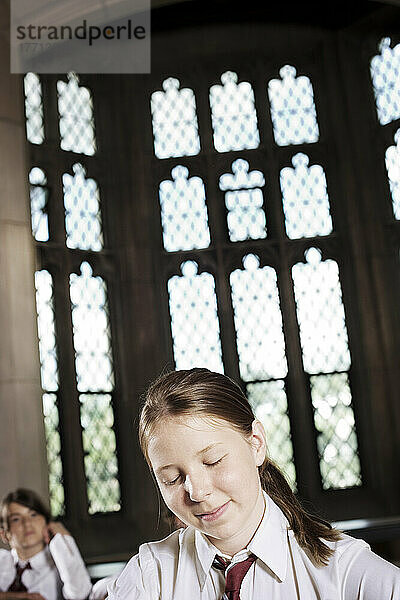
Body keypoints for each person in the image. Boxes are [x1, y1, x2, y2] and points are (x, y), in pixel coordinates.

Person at [108, 367, 400, 599]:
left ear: (256, 443)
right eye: (171, 478)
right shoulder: (151, 576)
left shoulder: (343, 570)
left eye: (213, 461)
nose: (197, 492)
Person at [0, 488, 92, 600]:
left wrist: (63, 539)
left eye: (33, 515)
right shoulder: (2, 559)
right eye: (16, 519)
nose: (27, 523)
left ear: (47, 522)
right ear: (4, 534)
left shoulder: (59, 562)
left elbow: (81, 593)